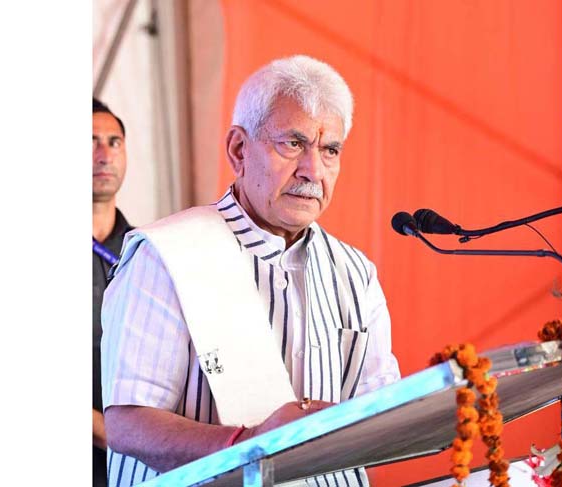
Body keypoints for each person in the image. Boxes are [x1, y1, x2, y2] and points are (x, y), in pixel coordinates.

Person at [101, 55, 400, 487]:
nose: (312, 170)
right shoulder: (166, 255)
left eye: (329, 150)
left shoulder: (356, 273)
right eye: (293, 144)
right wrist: (249, 445)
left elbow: (378, 413)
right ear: (239, 150)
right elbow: (128, 425)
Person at [92, 97, 133, 487]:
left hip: (139, 466)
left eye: (113, 141)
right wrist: (117, 437)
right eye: (88, 141)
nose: (103, 154)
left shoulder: (146, 251)